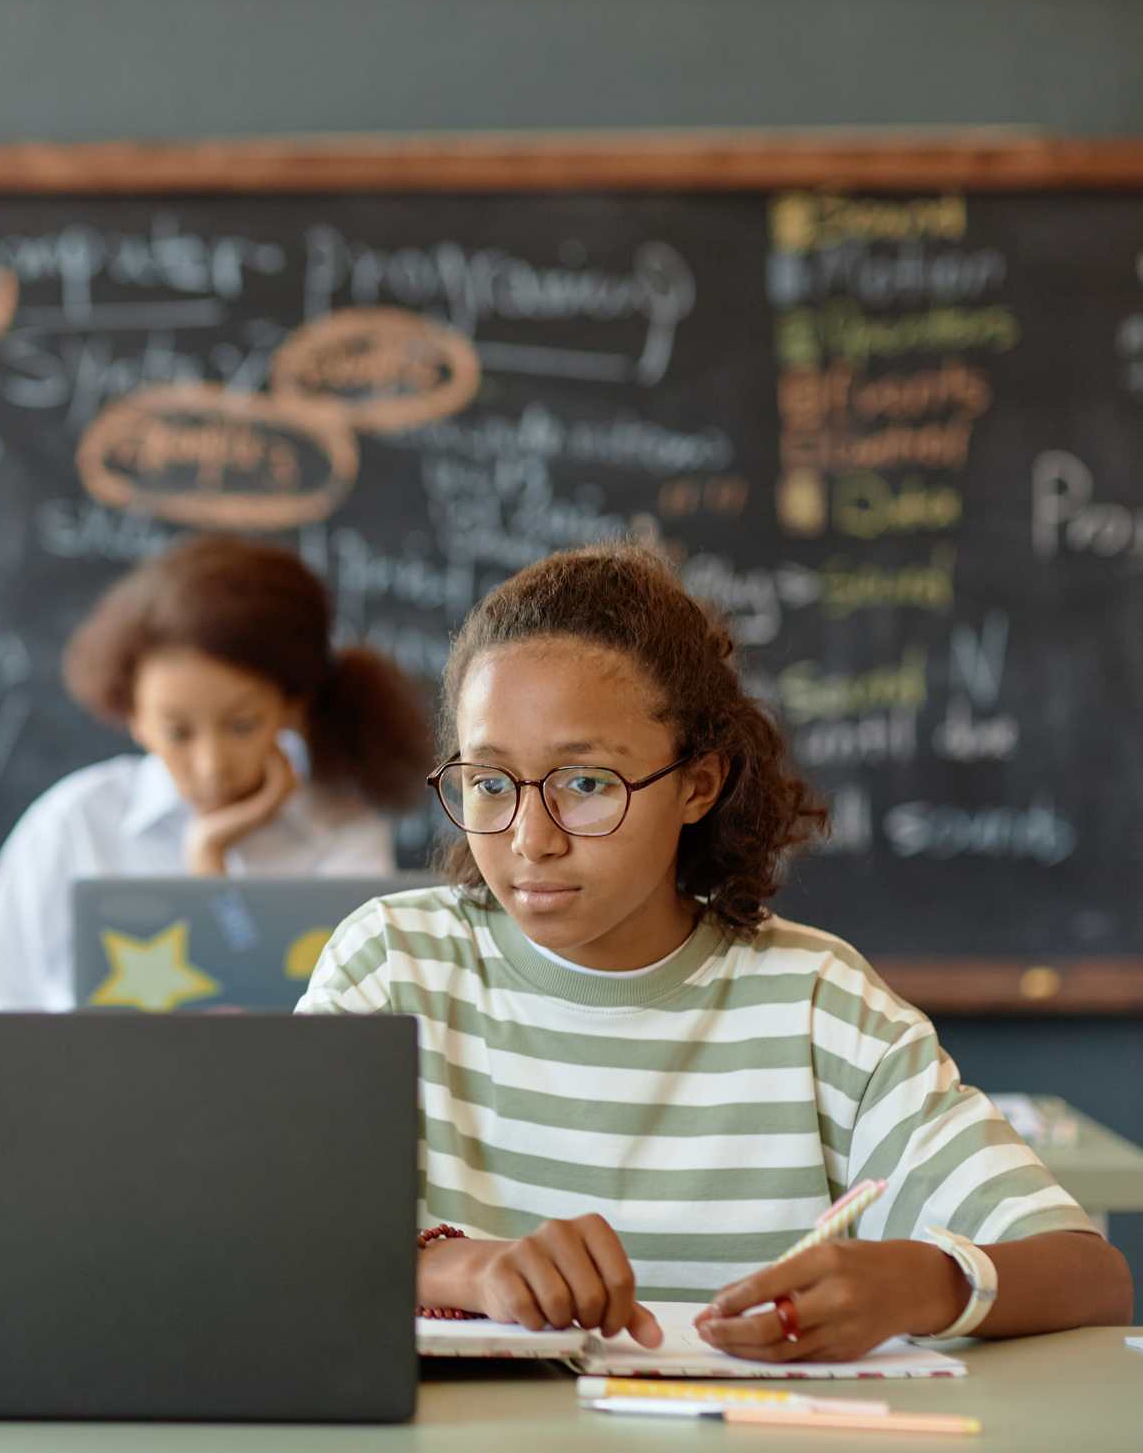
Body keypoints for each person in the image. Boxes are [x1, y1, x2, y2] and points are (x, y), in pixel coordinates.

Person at [298, 542, 1132, 1360]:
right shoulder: (393, 963)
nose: (530, 838)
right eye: (488, 782)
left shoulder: (816, 1006)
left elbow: (1090, 1274)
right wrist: (462, 1266)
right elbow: (258, 1226)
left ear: (697, 783)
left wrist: (920, 1282)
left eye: (585, 783)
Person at [0, 535, 433, 1012]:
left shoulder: (342, 831)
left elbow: (354, 1032)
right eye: (178, 732)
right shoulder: (74, 822)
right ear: (133, 714)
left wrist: (209, 859)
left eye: (242, 725)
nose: (211, 765)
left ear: (292, 706)